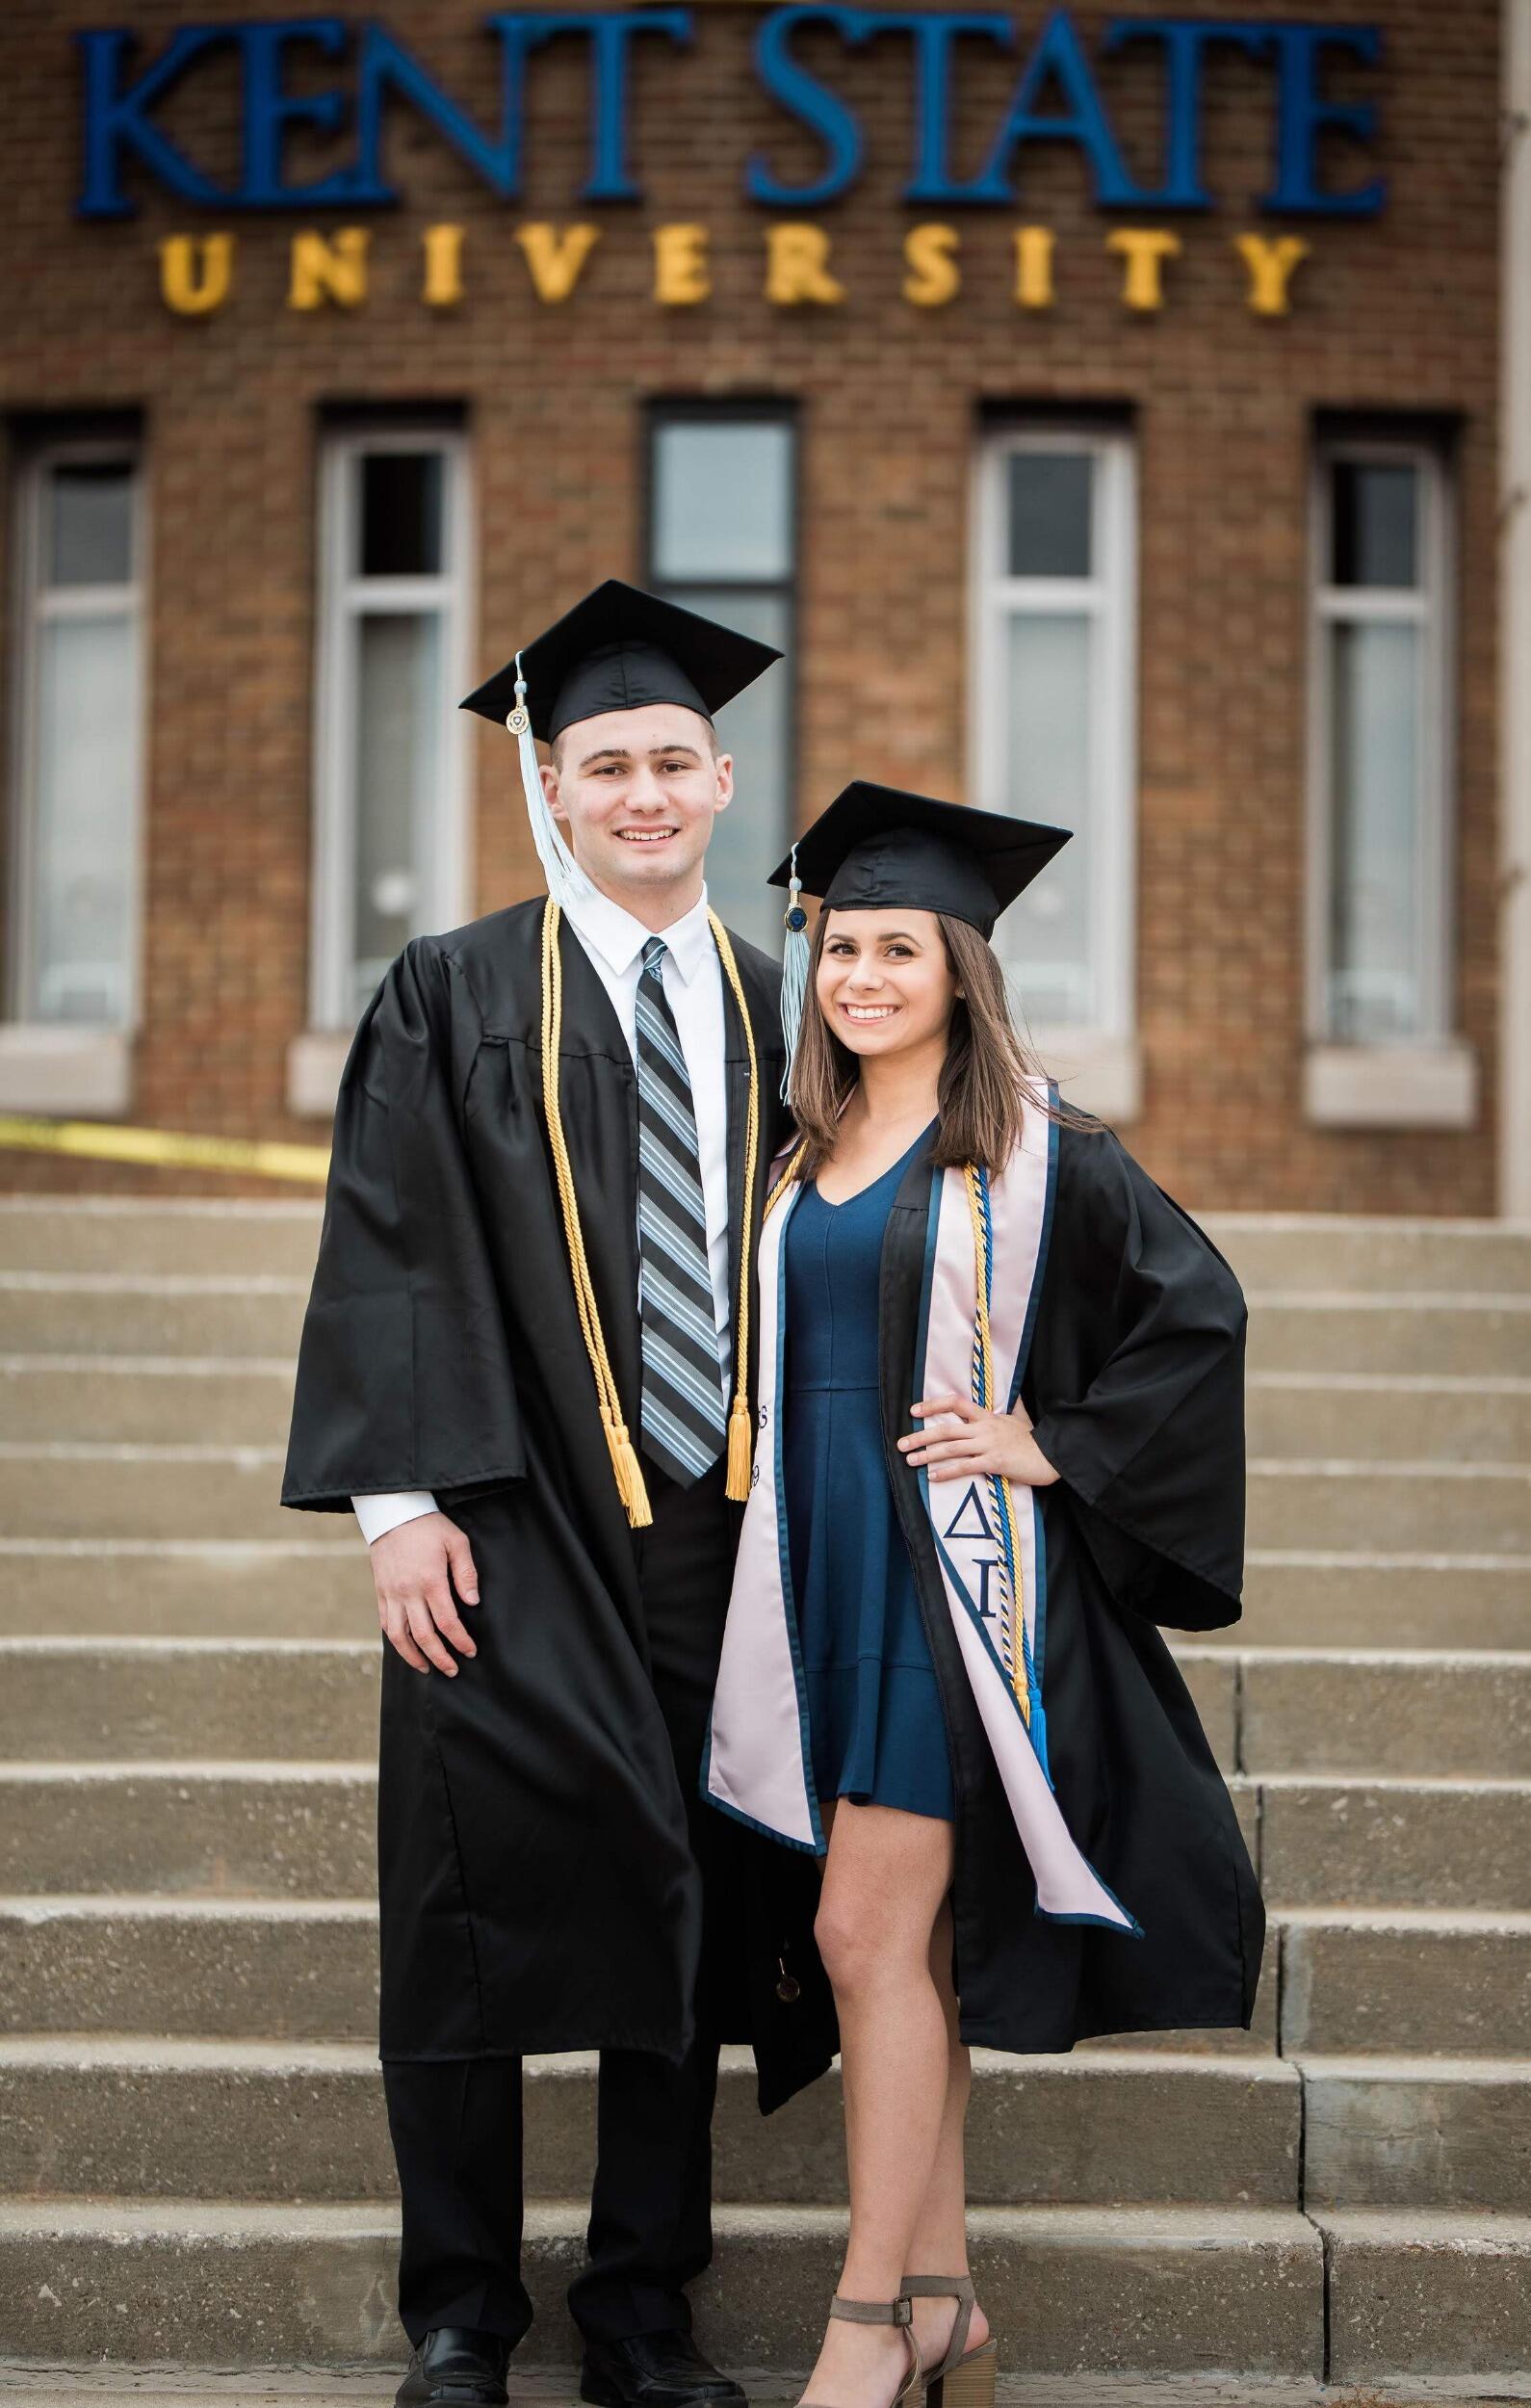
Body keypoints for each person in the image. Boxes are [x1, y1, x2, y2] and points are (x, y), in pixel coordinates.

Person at [281, 582, 836, 2408]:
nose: (643, 794)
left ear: (726, 779)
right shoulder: (451, 991)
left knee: (683, 1906)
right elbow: (389, 1245)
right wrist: (398, 1510)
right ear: (551, 787)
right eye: (606, 766)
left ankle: (639, 2312)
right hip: (502, 1526)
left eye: (674, 761)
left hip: (722, 1533)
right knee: (463, 1908)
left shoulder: (787, 1010)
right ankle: (460, 2312)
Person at [704, 784, 1264, 2408]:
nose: (860, 976)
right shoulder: (799, 1152)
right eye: (839, 948)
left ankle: (864, 2325)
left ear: (960, 967)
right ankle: (944, 2300)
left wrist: (1051, 1441)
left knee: (860, 1933)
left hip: (943, 1589)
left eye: (899, 948)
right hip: (807, 1572)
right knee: (901, 1956)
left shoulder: (1037, 1149)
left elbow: (1198, 1312)